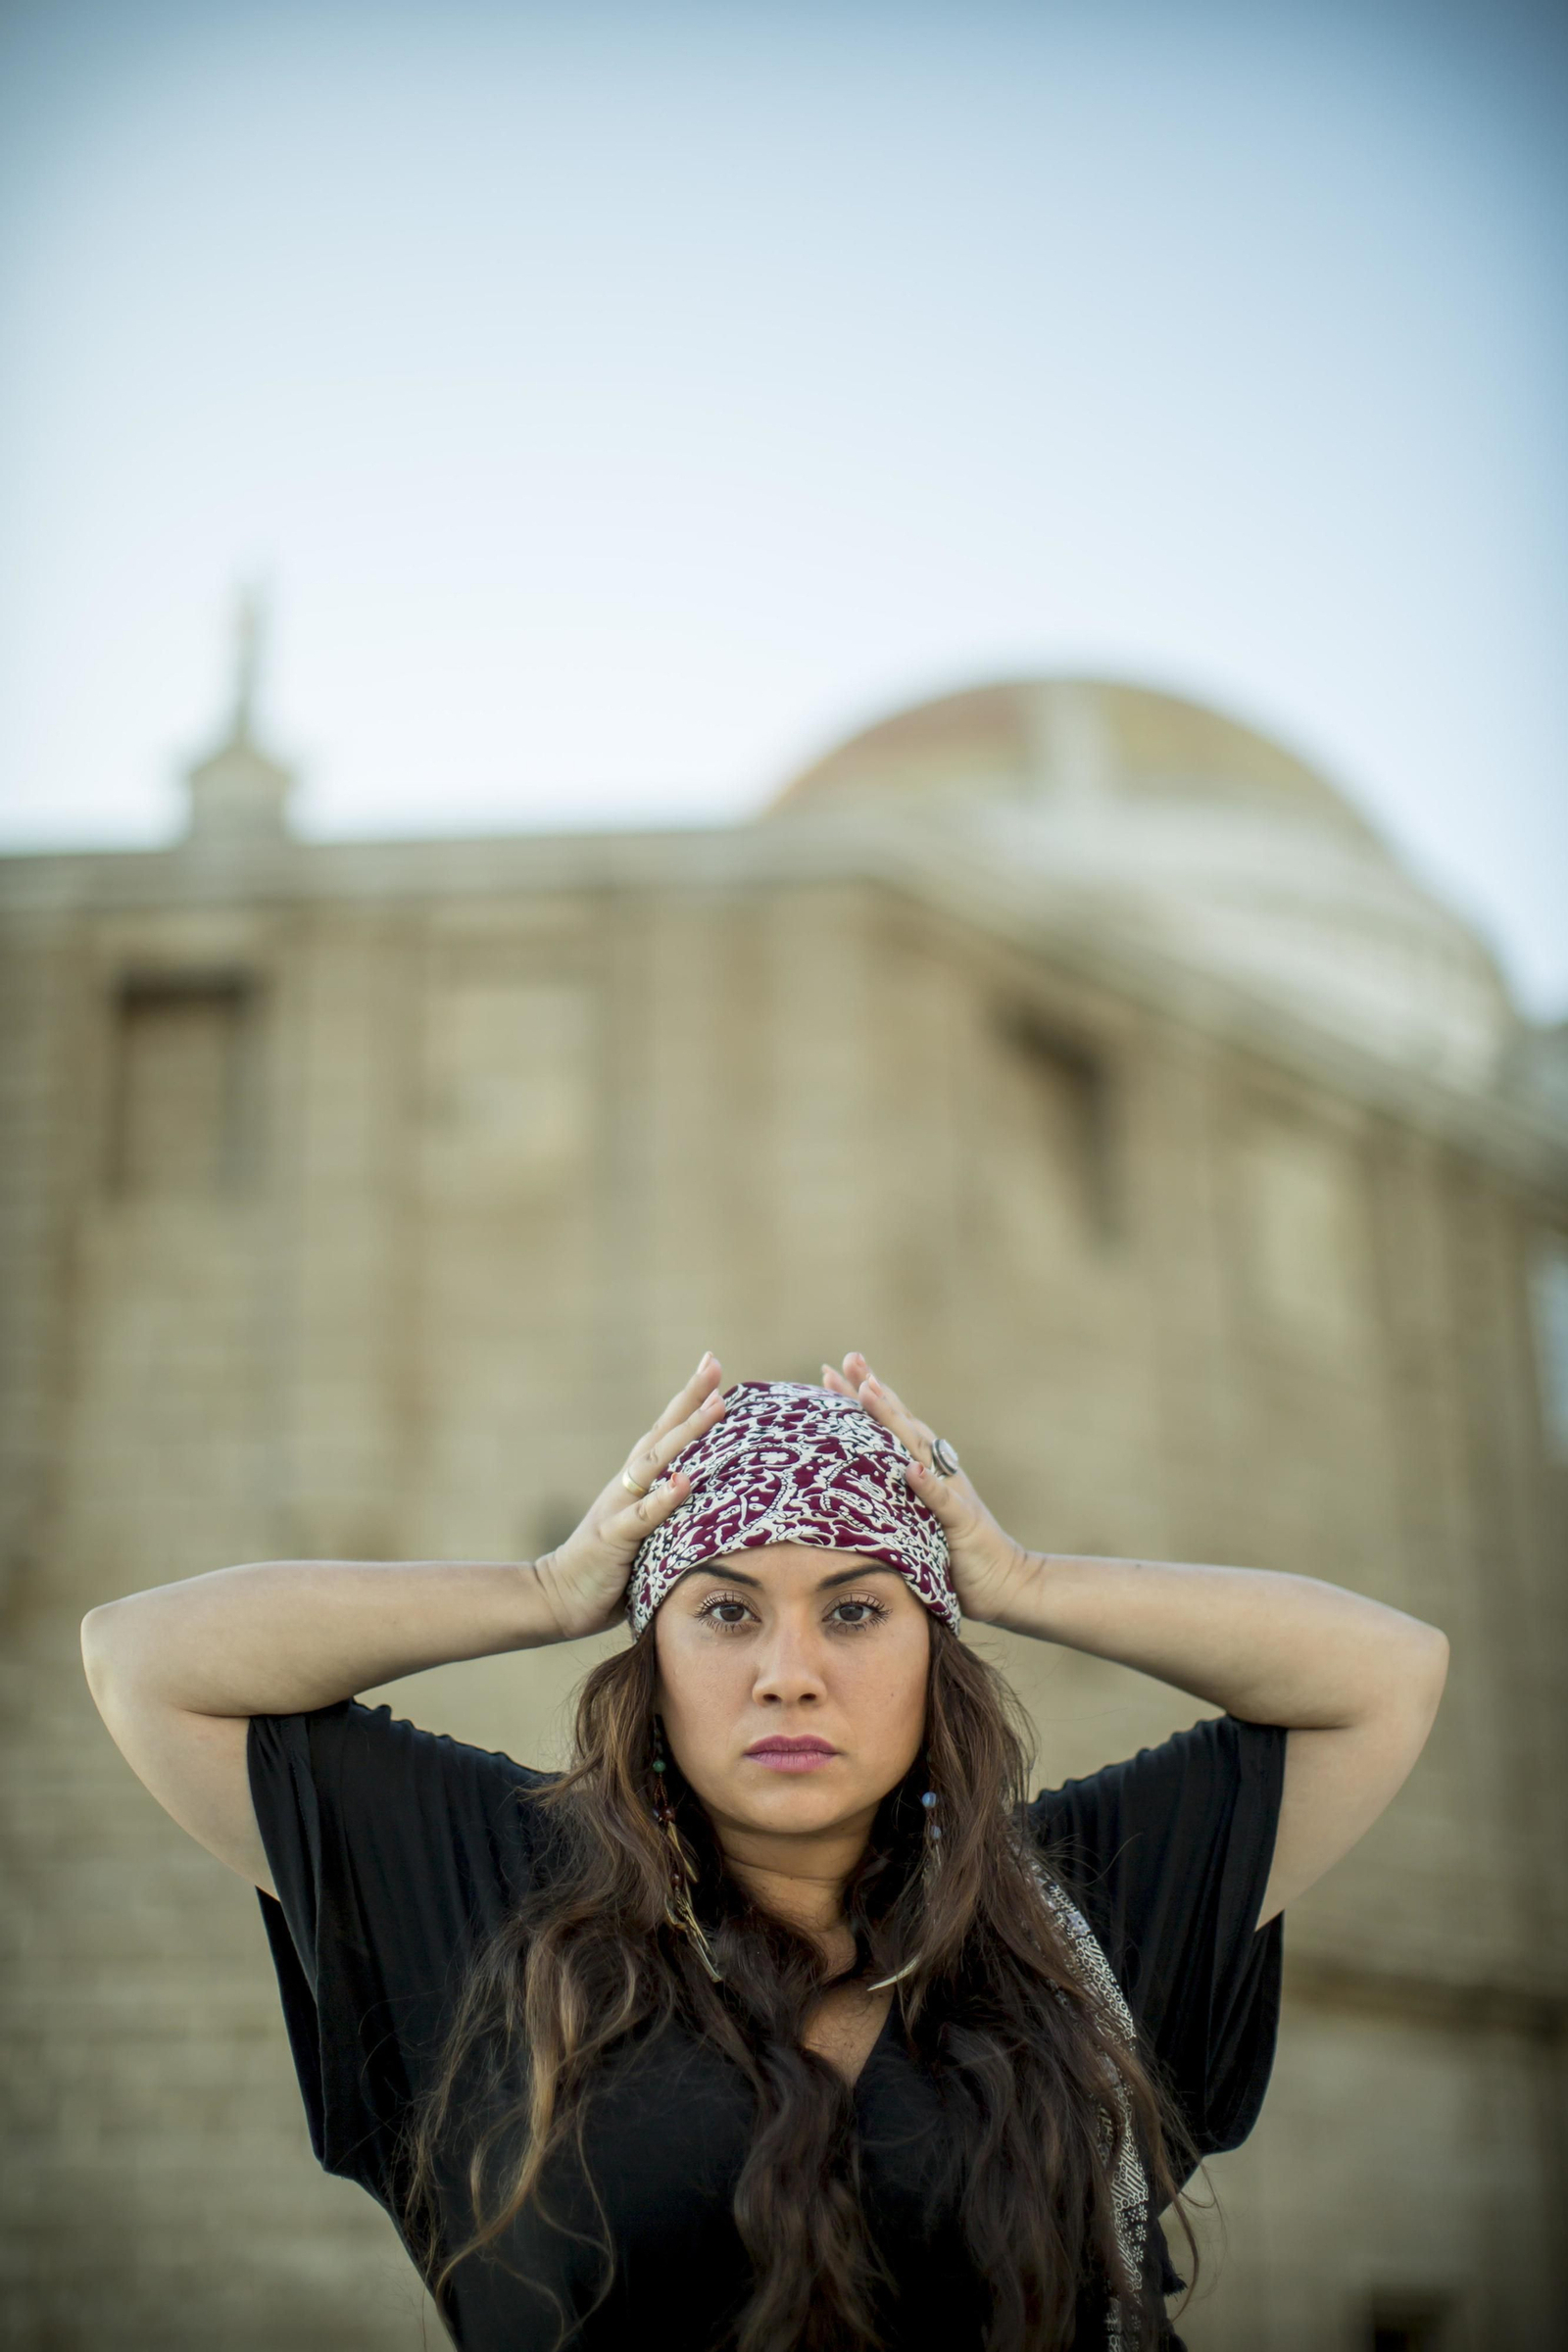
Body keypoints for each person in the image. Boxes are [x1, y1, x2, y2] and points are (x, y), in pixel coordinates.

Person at [81, 1351, 1448, 2351]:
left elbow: (1385, 1675)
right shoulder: (506, 1901)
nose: (789, 1673)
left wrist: (1017, 1580)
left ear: (933, 1655)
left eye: (857, 1613)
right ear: (655, 1658)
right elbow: (147, 1660)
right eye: (726, 1613)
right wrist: (549, 1590)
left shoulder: (1071, 1913)